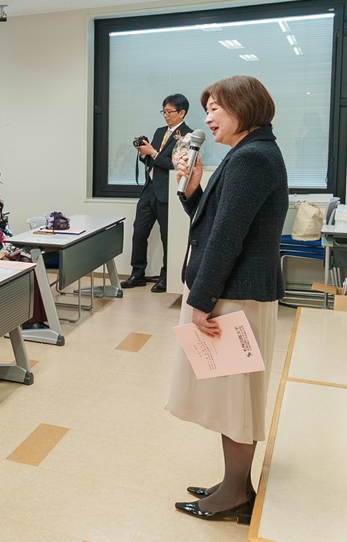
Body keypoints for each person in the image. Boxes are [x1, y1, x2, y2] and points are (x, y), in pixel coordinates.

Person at [168, 76, 287, 524]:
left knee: (237, 400)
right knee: (230, 397)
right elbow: (213, 223)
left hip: (237, 296)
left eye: (215, 107)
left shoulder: (252, 158)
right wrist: (195, 187)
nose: (207, 117)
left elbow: (225, 240)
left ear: (244, 107)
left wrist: (201, 301)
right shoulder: (249, 153)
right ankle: (235, 483)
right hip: (235, 292)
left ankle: (236, 494)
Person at [121, 94, 193, 293]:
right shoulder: (160, 131)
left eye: (169, 112)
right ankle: (137, 273)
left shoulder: (188, 136)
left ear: (182, 113)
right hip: (149, 189)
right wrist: (144, 153)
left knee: (166, 236)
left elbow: (174, 164)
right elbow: (153, 161)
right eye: (163, 112)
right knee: (139, 232)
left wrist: (153, 153)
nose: (165, 116)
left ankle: (166, 277)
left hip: (168, 191)